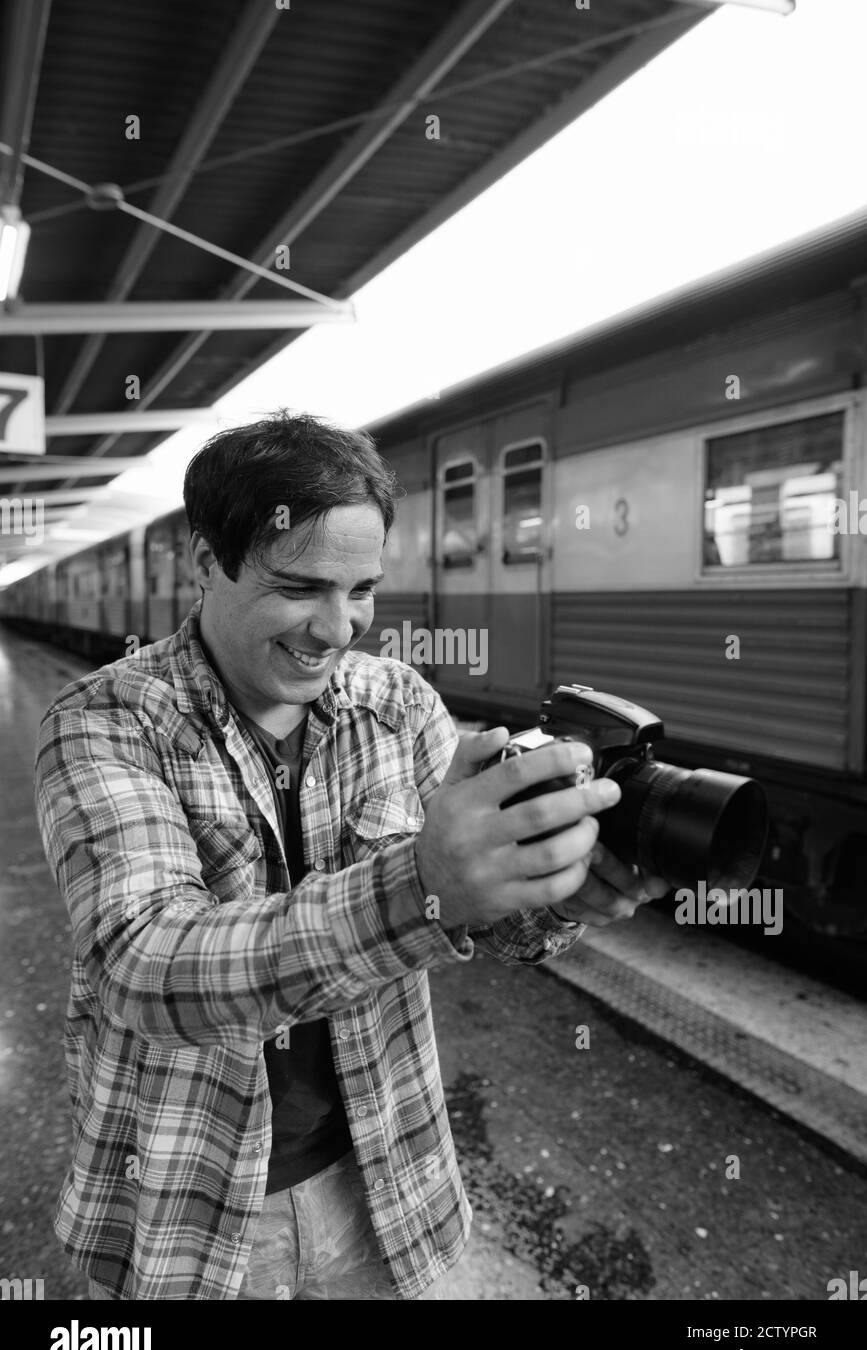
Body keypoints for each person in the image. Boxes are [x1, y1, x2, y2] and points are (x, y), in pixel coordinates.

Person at [34, 411, 666, 1301]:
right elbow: (144, 968)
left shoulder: (397, 703)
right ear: (205, 560)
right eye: (301, 587)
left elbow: (480, 927)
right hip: (189, 1213)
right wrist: (421, 883)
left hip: (390, 1188)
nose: (338, 629)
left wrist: (555, 895)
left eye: (362, 589)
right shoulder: (102, 723)